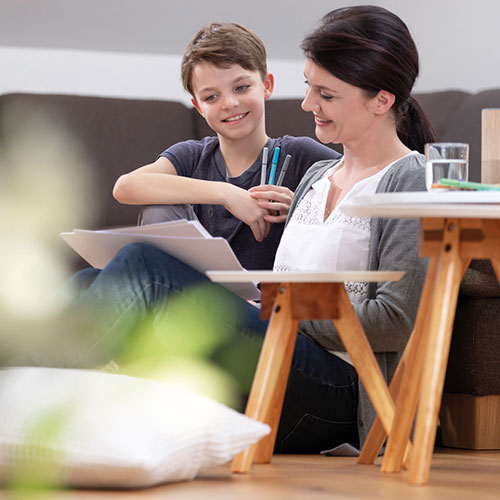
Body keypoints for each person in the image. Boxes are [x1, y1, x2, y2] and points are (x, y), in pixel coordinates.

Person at [40, 5, 434, 455]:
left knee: (144, 268)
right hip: (282, 356)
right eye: (309, 88)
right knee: (89, 282)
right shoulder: (317, 175)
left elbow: (395, 323)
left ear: (380, 100)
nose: (307, 105)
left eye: (325, 94)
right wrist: (259, 298)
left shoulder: (409, 177)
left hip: (344, 393)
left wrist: (281, 308)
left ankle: (33, 403)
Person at [112, 22, 339, 271]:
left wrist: (302, 210)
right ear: (198, 107)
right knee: (158, 208)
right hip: (192, 296)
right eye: (211, 97)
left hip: (261, 305)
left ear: (267, 85)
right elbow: (125, 187)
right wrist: (226, 194)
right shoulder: (192, 156)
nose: (229, 103)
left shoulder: (301, 156)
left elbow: (360, 199)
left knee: (103, 275)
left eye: (241, 88)